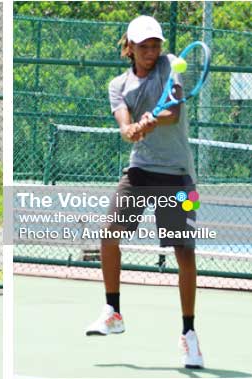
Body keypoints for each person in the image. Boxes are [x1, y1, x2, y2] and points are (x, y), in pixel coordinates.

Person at [87, 15, 202, 369]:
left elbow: (174, 109)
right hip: (139, 171)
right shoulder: (118, 84)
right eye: (144, 46)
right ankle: (113, 312)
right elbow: (123, 119)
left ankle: (190, 335)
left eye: (156, 44)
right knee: (108, 236)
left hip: (178, 175)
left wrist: (155, 118)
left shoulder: (170, 65)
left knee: (184, 251)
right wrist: (131, 130)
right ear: (130, 47)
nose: (152, 51)